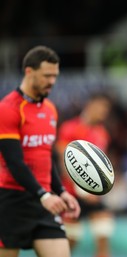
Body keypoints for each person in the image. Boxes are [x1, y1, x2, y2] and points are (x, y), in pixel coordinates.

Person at [0, 45, 80, 257]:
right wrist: (43, 195)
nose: (52, 81)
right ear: (29, 72)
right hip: (11, 201)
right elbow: (14, 162)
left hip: (44, 202)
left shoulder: (50, 109)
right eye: (46, 76)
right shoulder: (8, 109)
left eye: (55, 76)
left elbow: (46, 158)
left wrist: (61, 191)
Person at [56, 92, 115, 257]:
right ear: (90, 105)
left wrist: (100, 189)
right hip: (71, 195)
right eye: (102, 107)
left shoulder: (102, 132)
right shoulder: (69, 128)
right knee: (70, 242)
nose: (104, 112)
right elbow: (63, 162)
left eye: (107, 109)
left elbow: (103, 167)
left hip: (94, 195)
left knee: (103, 235)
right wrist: (82, 190)